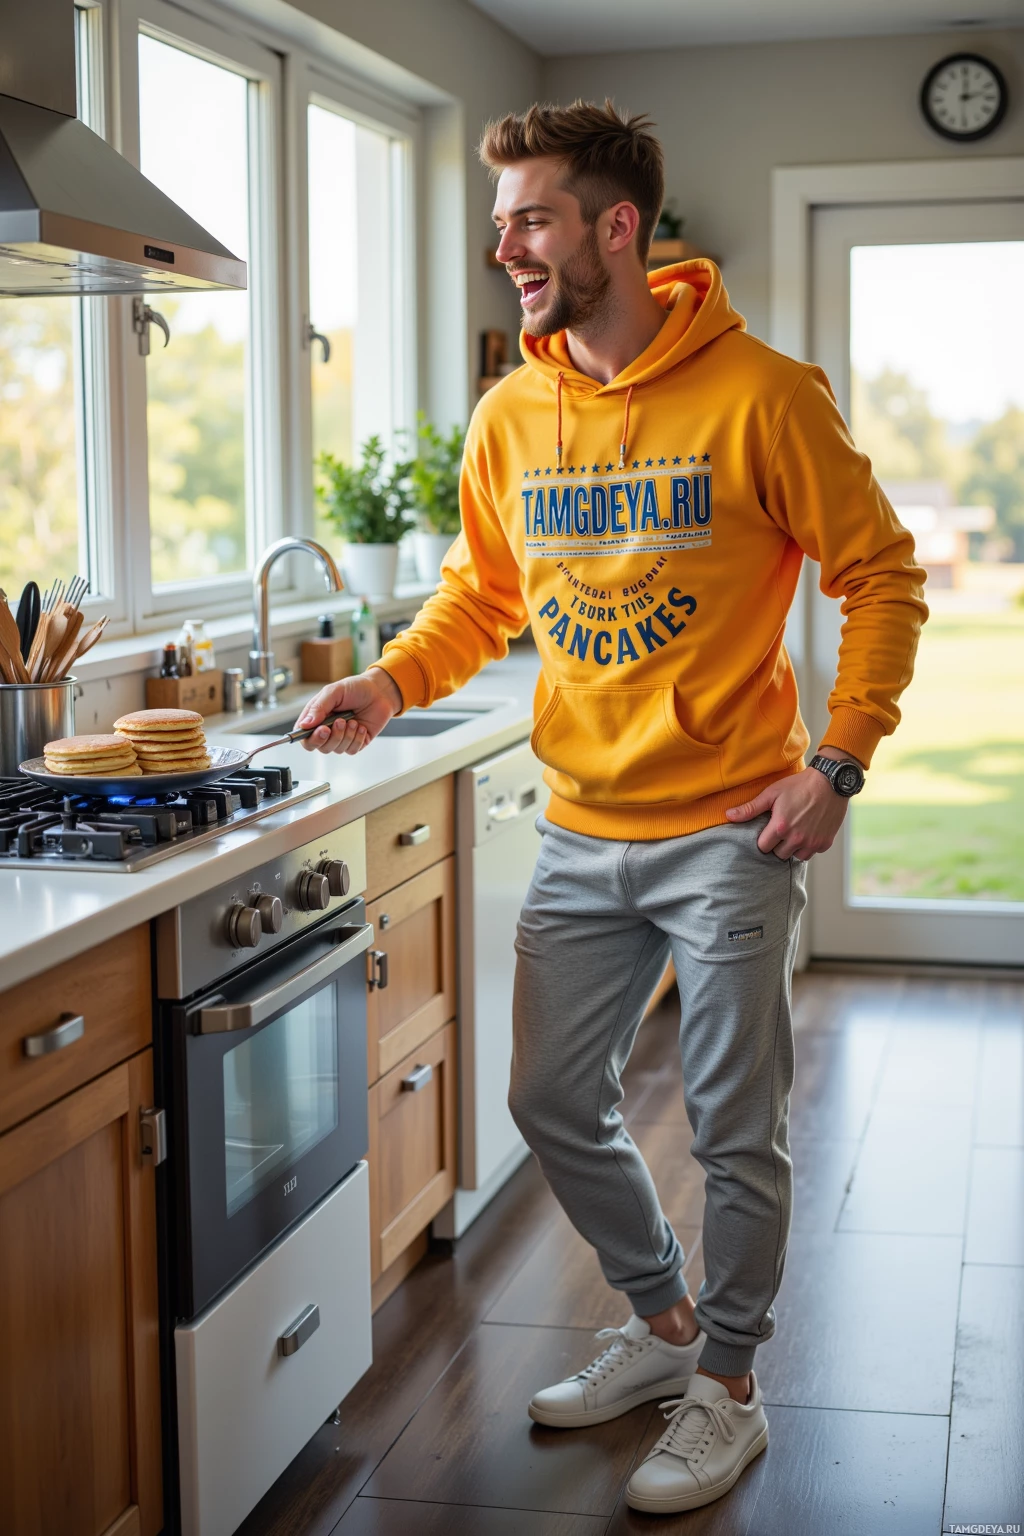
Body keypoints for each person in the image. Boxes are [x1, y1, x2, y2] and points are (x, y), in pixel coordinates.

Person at [295, 100, 927, 1516]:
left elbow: (880, 575)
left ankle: (732, 1389)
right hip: (583, 824)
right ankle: (662, 1327)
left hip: (729, 831)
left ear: (615, 226)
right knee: (544, 1100)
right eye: (504, 217)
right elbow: (482, 594)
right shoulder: (514, 412)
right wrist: (391, 685)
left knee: (731, 1123)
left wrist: (838, 760)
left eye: (529, 216)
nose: (503, 243)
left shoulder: (765, 393)